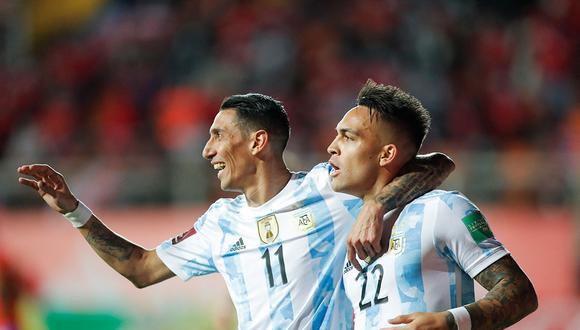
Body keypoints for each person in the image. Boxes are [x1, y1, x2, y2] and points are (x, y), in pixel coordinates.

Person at [17, 93, 453, 329]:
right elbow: (141, 269)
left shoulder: (330, 187)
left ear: (258, 142)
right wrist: (74, 211)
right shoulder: (220, 223)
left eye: (218, 135)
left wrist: (377, 203)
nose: (207, 150)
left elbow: (437, 165)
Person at [328, 80, 538, 329]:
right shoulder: (355, 234)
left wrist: (450, 321)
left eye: (348, 137)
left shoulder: (442, 209)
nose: (332, 147)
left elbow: (520, 292)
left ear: (386, 154)